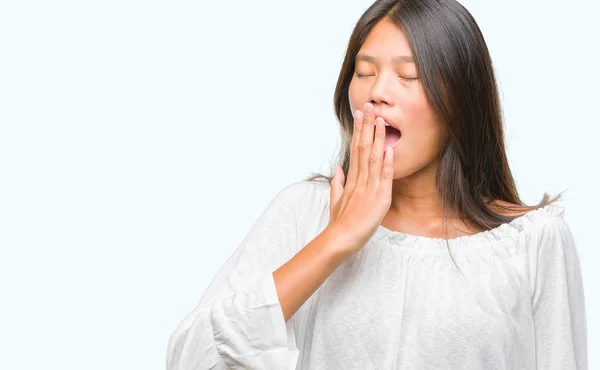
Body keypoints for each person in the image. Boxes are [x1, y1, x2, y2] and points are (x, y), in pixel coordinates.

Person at [166, 0, 588, 368]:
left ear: (460, 100)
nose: (378, 93)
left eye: (409, 76)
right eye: (364, 72)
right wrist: (337, 239)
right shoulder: (305, 212)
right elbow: (193, 360)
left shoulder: (532, 242)